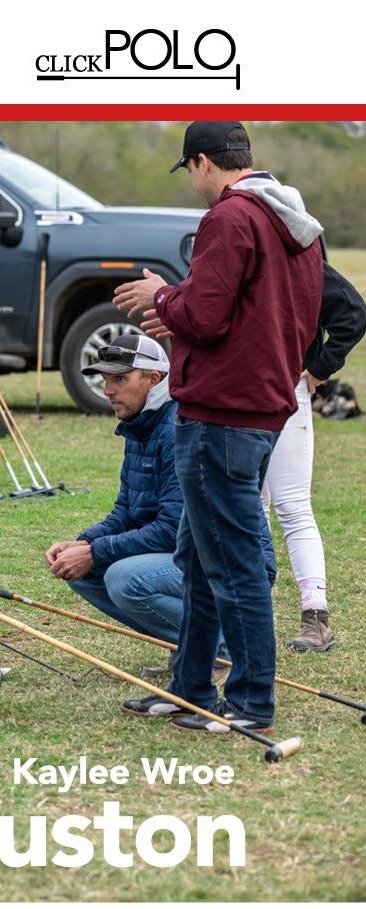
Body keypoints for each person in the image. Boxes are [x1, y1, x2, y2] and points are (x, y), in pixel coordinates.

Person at [113, 121, 323, 736]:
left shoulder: (229, 218)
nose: (194, 183)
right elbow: (266, 314)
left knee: (231, 562)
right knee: (200, 558)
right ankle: (191, 688)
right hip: (262, 407)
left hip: (221, 415)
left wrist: (164, 296)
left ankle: (252, 699)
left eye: (191, 171)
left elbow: (204, 317)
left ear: (203, 162)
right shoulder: (295, 222)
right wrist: (184, 307)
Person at [45, 331, 185, 643]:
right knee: (80, 570)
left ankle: (217, 649)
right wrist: (82, 543)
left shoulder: (178, 428)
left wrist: (94, 552)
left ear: (153, 379)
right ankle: (186, 648)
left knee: (123, 579)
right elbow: (126, 512)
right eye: (106, 379)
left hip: (217, 563)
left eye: (120, 379)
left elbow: (174, 529)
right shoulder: (141, 423)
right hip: (179, 554)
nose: (108, 390)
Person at [263, 251, 366, 653]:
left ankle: (315, 616)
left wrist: (320, 368)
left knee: (291, 505)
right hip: (238, 390)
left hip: (286, 391)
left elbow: (353, 313)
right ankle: (248, 616)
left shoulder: (297, 259)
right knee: (250, 505)